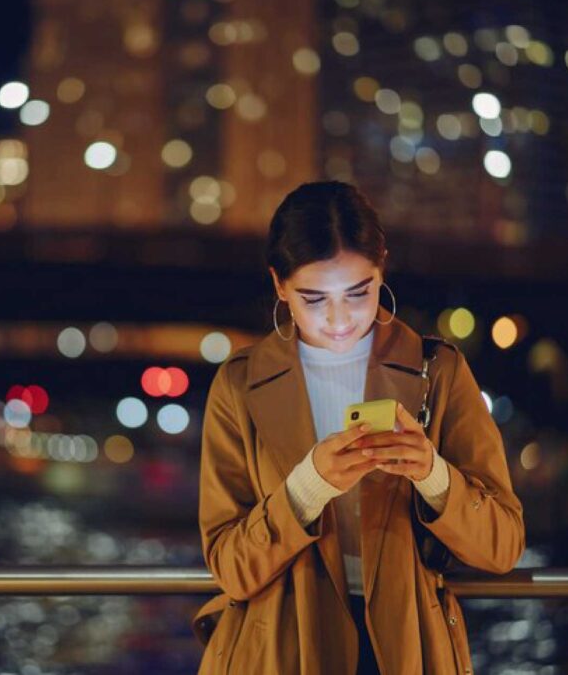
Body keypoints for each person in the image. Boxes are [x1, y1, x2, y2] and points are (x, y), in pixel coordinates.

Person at [192, 181, 525, 674]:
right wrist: (307, 487)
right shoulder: (240, 384)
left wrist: (432, 474)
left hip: (409, 644)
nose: (340, 318)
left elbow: (502, 547)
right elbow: (230, 566)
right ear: (279, 285)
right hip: (283, 647)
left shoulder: (438, 370)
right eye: (314, 299)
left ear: (381, 268)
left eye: (358, 292)